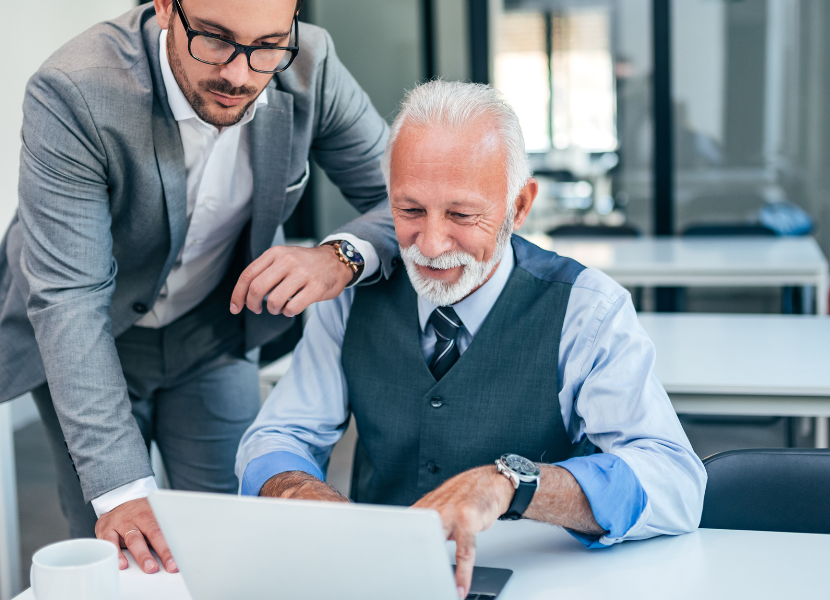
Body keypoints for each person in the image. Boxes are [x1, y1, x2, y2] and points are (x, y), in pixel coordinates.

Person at [0, 0, 398, 574]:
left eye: (268, 44)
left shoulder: (311, 64)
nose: (240, 74)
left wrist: (340, 255)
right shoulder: (74, 88)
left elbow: (401, 198)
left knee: (228, 536)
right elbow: (71, 299)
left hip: (209, 330)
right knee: (119, 549)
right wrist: (123, 494)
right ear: (167, 7)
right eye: (217, 39)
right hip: (90, 336)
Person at [235, 80, 706, 599]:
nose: (431, 244)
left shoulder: (587, 309)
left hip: (544, 582)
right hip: (384, 582)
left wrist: (516, 484)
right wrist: (304, 496)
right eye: (410, 211)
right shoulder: (349, 301)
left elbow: (675, 482)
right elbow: (276, 438)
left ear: (519, 205)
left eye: (461, 215)